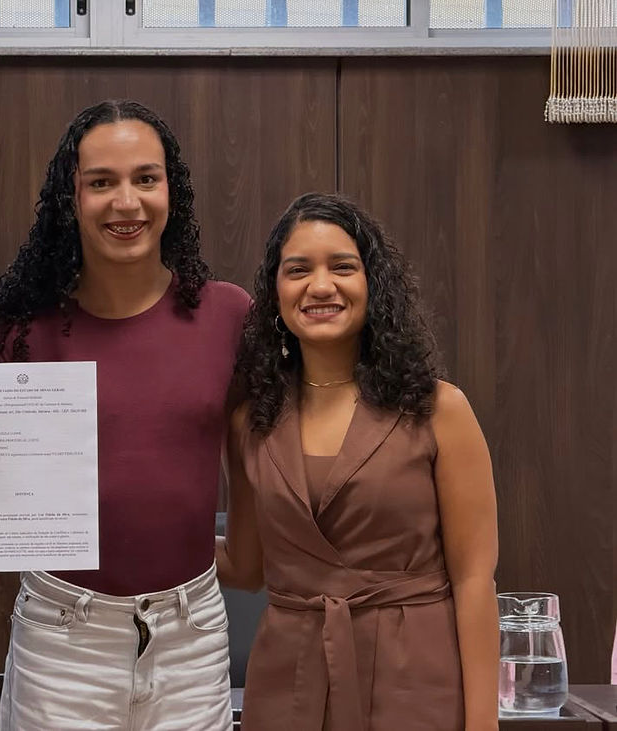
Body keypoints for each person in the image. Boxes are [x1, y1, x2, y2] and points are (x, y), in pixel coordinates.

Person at [0, 99, 250, 730]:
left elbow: (260, 468)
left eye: (145, 179)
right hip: (62, 638)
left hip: (193, 636)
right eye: (101, 182)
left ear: (170, 192)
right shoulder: (21, 333)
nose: (126, 203)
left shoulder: (229, 316)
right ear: (71, 200)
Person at [217, 193, 499, 730]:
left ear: (373, 284)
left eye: (342, 267)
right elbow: (247, 565)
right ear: (275, 290)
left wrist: (482, 723)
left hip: (415, 679)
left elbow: (474, 579)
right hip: (287, 685)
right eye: (298, 270)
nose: (320, 286)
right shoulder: (249, 422)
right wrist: (137, 538)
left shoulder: (440, 410)